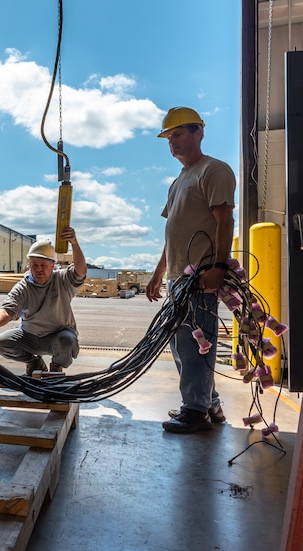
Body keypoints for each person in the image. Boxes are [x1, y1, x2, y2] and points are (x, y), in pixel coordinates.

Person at [145, 106, 236, 434]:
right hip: (177, 280)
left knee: (194, 345)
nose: (172, 142)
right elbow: (173, 233)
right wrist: (158, 273)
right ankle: (208, 403)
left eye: (178, 134)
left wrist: (220, 267)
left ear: (199, 132)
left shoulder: (214, 171)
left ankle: (195, 411)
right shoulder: (178, 181)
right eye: (169, 137)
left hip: (200, 277)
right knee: (182, 344)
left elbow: (224, 221)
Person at [0, 227, 86, 374]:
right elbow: (8, 309)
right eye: (34, 265)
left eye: (43, 265)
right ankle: (34, 362)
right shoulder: (23, 286)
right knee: (1, 343)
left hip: (58, 336)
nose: (39, 269)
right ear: (29, 265)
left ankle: (56, 368)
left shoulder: (62, 280)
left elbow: (80, 271)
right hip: (30, 337)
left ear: (52, 265)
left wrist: (74, 243)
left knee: (67, 340)